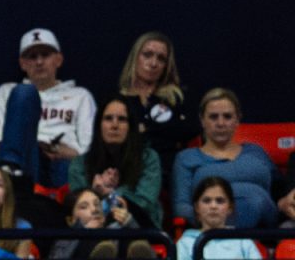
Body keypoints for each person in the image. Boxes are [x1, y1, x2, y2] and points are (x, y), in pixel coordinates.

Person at [0, 29, 96, 188]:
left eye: (45, 55)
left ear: (58, 59)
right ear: (22, 63)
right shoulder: (6, 92)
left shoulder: (80, 96)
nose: (39, 62)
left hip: (60, 166)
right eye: (32, 56)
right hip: (22, 159)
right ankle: (11, 174)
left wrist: (64, 151)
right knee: (24, 92)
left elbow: (91, 150)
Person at [172, 89, 281, 229]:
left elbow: (281, 194)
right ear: (202, 120)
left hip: (265, 234)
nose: (221, 123)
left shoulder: (256, 152)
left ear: (237, 120)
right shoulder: (186, 158)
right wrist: (217, 223)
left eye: (227, 116)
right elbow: (181, 208)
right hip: (211, 235)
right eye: (213, 117)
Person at [67, 96, 163, 229]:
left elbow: (144, 205)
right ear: (98, 125)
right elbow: (78, 209)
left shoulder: (148, 158)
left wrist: (110, 194)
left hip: (139, 228)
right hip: (92, 229)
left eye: (122, 119)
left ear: (131, 126)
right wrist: (94, 193)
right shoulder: (79, 164)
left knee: (117, 228)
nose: (114, 125)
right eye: (108, 118)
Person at [117, 32, 198, 180]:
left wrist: (143, 129)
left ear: (166, 66)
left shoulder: (177, 98)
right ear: (135, 58)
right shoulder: (118, 99)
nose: (153, 63)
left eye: (161, 59)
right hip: (127, 171)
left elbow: (187, 131)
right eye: (147, 55)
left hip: (169, 172)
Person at [48, 187, 152, 260]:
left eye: (97, 204)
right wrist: (83, 233)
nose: (94, 209)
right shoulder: (64, 238)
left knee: (130, 240)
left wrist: (130, 223)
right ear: (70, 220)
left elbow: (151, 254)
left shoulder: (115, 230)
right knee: (92, 242)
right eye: (84, 207)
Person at [175, 177, 263, 260]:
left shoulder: (243, 241)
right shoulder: (185, 243)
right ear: (197, 207)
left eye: (220, 201)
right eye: (206, 201)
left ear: (230, 208)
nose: (213, 206)